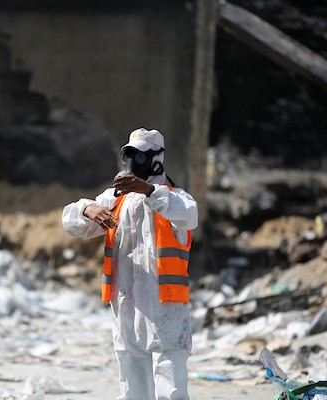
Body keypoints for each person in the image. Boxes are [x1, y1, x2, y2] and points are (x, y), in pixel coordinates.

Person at [62, 128, 199, 400]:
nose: (132, 164)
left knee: (169, 391)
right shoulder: (117, 201)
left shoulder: (173, 198)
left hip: (165, 312)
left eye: (139, 157)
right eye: (129, 155)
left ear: (156, 160)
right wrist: (87, 209)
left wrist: (149, 190)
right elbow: (71, 222)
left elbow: (189, 215)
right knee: (133, 390)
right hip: (126, 311)